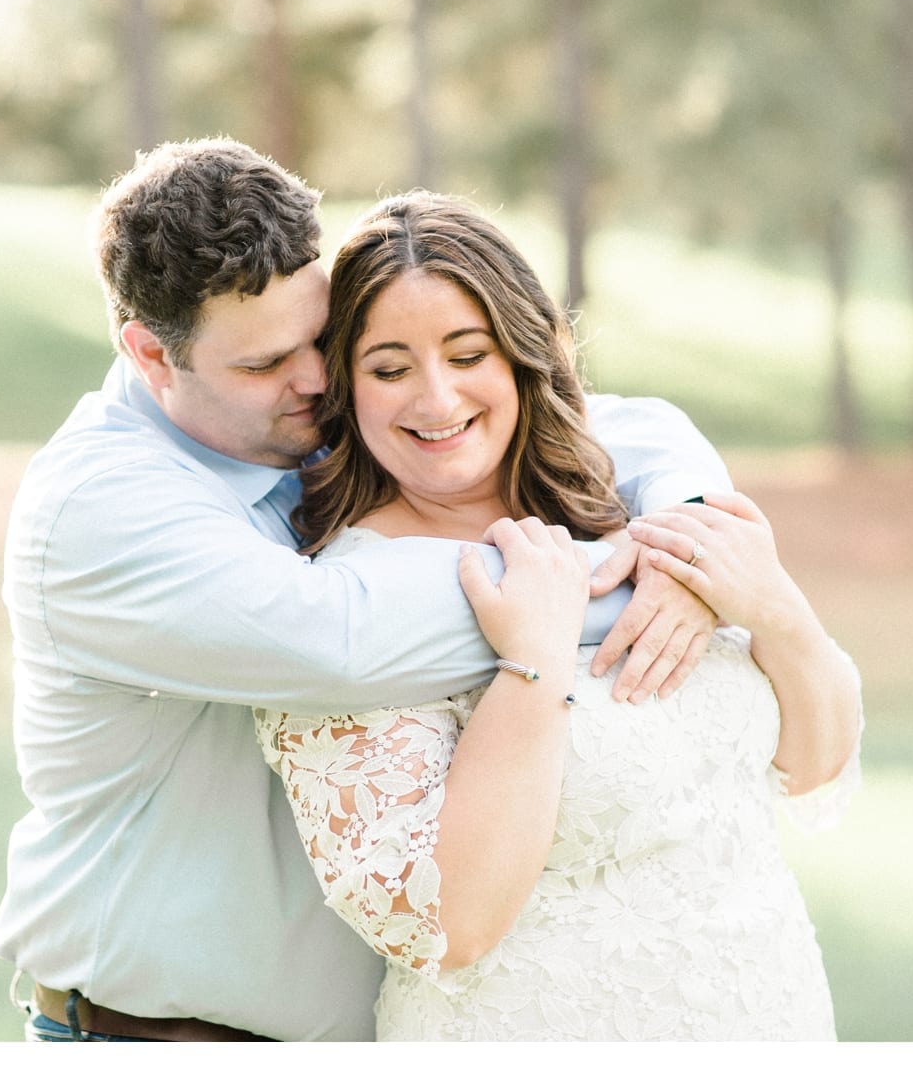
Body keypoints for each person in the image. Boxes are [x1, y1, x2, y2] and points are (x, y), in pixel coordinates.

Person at [0, 138, 736, 1042]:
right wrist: (641, 574)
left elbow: (604, 424)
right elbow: (339, 640)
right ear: (152, 354)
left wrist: (692, 525)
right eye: (264, 364)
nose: (313, 382)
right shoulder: (101, 510)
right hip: (149, 1034)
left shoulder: (290, 418)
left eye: (319, 340)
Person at [256, 191, 863, 1041]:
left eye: (468, 354)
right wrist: (530, 668)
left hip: (770, 1012)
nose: (436, 399)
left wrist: (778, 614)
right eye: (390, 368)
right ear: (345, 390)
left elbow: (811, 768)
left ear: (521, 352)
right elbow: (446, 926)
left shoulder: (633, 505)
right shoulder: (346, 604)